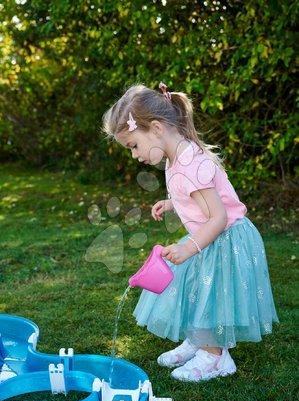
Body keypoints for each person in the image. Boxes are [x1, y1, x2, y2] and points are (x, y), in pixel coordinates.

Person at [102, 82, 279, 382]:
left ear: (156, 128)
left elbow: (219, 216)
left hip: (223, 239)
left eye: (133, 145)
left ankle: (215, 357)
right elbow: (198, 197)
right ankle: (200, 340)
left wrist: (188, 247)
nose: (134, 155)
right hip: (207, 235)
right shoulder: (177, 157)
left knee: (209, 296)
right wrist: (173, 203)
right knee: (195, 291)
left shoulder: (191, 165)